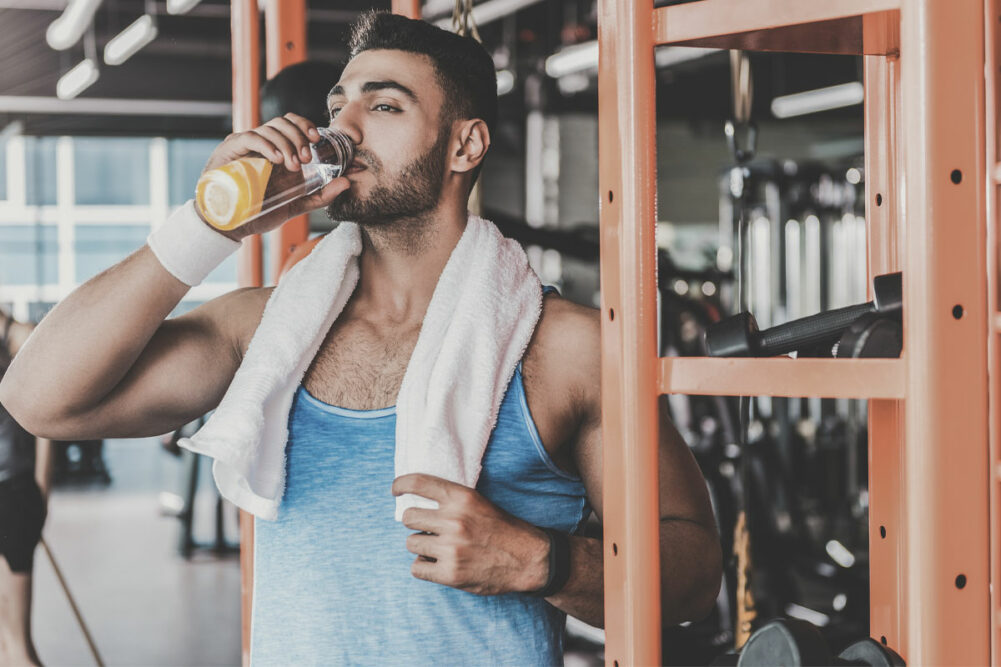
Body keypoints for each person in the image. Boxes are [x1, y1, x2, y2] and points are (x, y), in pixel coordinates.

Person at [0, 11, 721, 664]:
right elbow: (40, 399)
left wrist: (544, 562)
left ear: (464, 144)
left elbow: (692, 576)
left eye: (382, 105)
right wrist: (205, 226)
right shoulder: (269, 329)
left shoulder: (563, 348)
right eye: (335, 105)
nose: (339, 129)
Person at [0, 309, 52, 667]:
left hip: (14, 492)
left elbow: (46, 419)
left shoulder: (21, 336)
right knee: (5, 645)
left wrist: (41, 489)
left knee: (17, 645)